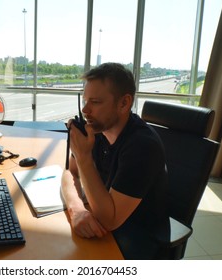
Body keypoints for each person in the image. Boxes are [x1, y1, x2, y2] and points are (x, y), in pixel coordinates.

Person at [61, 62, 169, 259]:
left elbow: (109, 220)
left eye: (95, 102)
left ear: (124, 103)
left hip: (137, 238)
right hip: (104, 221)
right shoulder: (99, 131)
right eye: (85, 101)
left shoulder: (142, 146)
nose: (85, 110)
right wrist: (76, 209)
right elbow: (70, 173)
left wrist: (84, 157)